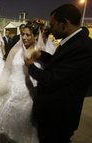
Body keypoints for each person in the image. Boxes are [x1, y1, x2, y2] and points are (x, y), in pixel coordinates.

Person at [24, 4, 92, 143]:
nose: (51, 29)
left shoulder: (82, 47)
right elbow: (61, 64)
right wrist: (42, 55)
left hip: (59, 116)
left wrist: (31, 66)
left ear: (64, 24)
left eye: (53, 24)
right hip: (54, 113)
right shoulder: (73, 41)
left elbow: (53, 79)